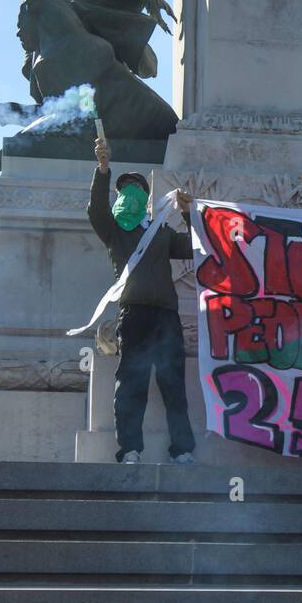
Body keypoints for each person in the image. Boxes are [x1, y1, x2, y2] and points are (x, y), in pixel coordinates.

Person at [89, 136, 197, 464]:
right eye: (125, 189)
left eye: (136, 188)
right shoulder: (115, 232)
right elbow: (96, 210)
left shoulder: (161, 234)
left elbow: (195, 246)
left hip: (165, 314)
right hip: (133, 314)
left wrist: (189, 212)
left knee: (173, 383)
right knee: (131, 383)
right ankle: (131, 449)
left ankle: (182, 450)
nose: (129, 193)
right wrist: (103, 169)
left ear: (147, 199)